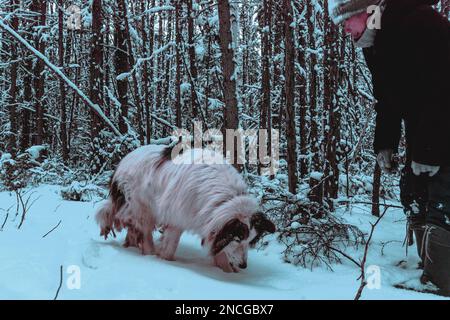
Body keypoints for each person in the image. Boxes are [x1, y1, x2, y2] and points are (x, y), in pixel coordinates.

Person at [328, 0, 450, 292]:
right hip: (425, 129)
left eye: (346, 20)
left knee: (442, 197)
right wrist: (385, 143)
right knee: (413, 191)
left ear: (368, 12)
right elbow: (389, 98)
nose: (344, 30)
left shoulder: (417, 23)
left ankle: (442, 281)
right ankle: (430, 269)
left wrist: (430, 149)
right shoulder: (376, 42)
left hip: (442, 126)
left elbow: (443, 87)